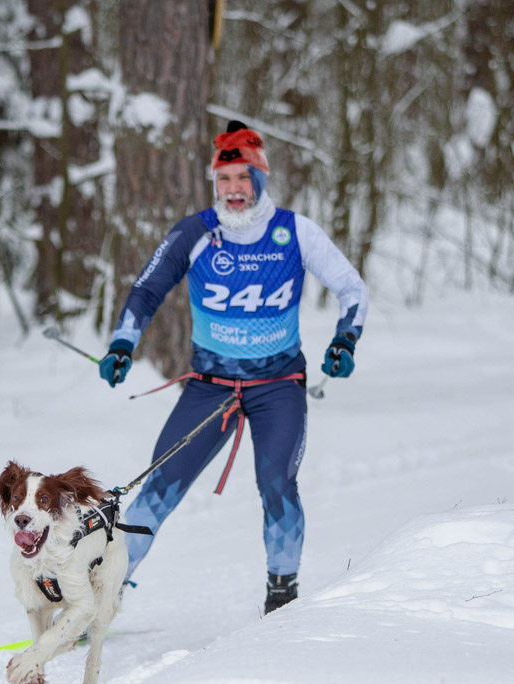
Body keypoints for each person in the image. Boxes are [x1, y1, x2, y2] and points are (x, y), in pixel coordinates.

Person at [98, 120, 368, 615]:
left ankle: (282, 594)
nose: (234, 190)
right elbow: (146, 290)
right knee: (157, 485)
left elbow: (352, 288)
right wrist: (121, 344)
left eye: (244, 179)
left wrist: (345, 340)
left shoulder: (294, 232)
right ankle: (102, 597)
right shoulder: (195, 232)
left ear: (260, 180)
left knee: (276, 483)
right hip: (210, 387)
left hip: (277, 385)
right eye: (224, 180)